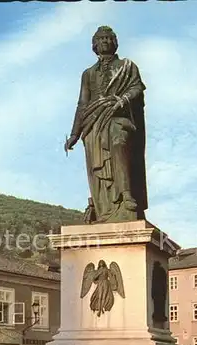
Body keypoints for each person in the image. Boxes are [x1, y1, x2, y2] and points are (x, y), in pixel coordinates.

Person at [65, 26, 148, 223]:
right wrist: (75, 134)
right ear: (94, 45)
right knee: (96, 164)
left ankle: (126, 194)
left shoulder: (127, 66)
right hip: (93, 123)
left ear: (114, 42)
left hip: (119, 117)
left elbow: (137, 87)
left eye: (108, 38)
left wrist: (123, 99)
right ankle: (103, 206)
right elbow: (82, 104)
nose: (104, 41)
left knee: (118, 140)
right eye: (100, 39)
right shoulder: (88, 74)